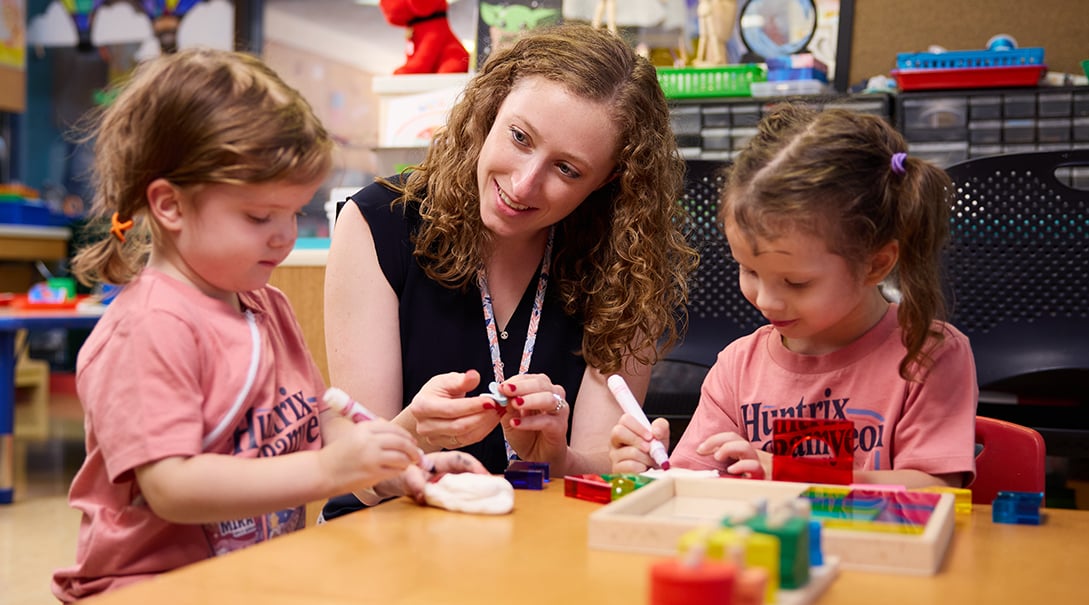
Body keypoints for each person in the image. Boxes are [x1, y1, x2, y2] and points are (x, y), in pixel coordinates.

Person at [52, 49, 485, 602]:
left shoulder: (266, 305)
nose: (283, 236)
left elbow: (317, 418)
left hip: (250, 581)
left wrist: (397, 464)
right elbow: (173, 488)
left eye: (295, 212)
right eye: (259, 216)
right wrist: (329, 471)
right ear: (169, 205)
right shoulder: (150, 327)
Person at [322, 23, 698, 518]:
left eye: (567, 170)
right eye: (520, 137)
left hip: (536, 543)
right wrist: (412, 431)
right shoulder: (379, 223)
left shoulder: (629, 262)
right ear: (491, 107)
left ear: (608, 179)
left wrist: (557, 457)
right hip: (388, 538)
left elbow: (602, 474)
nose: (523, 186)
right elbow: (358, 478)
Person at [610, 104, 978, 489]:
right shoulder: (737, 368)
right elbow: (694, 486)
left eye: (796, 282)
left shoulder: (930, 354)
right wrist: (648, 474)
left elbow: (939, 489)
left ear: (875, 264)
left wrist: (794, 472)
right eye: (750, 270)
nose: (766, 300)